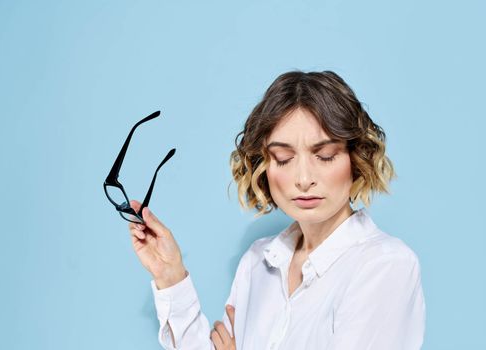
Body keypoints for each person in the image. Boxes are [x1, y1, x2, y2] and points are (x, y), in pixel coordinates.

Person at [128, 70, 426, 350]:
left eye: (324, 156)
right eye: (283, 158)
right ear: (263, 167)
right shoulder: (258, 262)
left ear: (355, 159)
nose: (304, 178)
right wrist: (170, 276)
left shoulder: (385, 267)